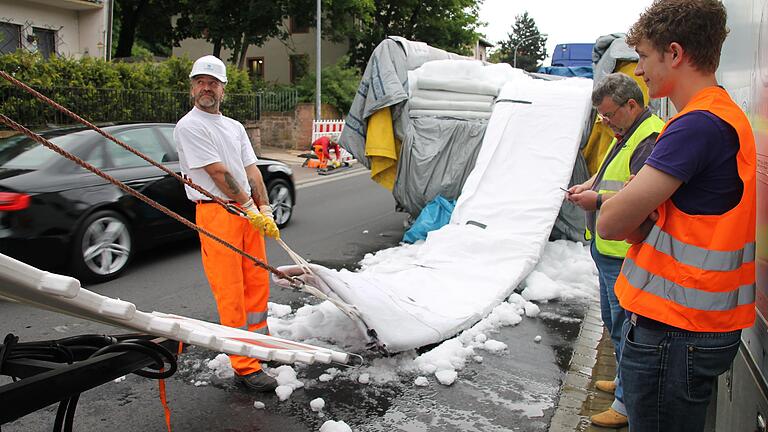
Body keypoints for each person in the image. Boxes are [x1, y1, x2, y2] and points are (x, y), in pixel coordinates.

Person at [597, 1, 756, 430]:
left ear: (674, 53)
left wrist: (626, 202)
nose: (640, 71)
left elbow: (609, 223)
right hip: (693, 323)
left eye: (644, 57)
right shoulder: (721, 115)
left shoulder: (696, 125)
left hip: (675, 327)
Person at [174, 55, 281, 392]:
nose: (207, 87)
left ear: (223, 89)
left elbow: (251, 169)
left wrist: (264, 208)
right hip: (217, 213)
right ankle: (244, 366)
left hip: (246, 214)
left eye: (213, 82)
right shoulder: (190, 126)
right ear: (192, 87)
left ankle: (258, 346)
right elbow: (217, 173)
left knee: (256, 284)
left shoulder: (234, 127)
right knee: (231, 291)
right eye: (201, 81)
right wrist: (248, 205)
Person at [567, 72, 664, 429]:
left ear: (632, 105)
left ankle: (625, 404)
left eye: (609, 115)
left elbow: (644, 198)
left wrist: (598, 200)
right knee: (614, 322)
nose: (604, 122)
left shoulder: (649, 138)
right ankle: (623, 382)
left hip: (625, 252)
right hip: (608, 250)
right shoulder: (625, 132)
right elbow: (608, 172)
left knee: (626, 327)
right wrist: (587, 185)